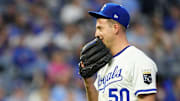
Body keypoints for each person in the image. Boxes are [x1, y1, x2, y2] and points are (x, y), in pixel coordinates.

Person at [80, 3, 158, 101]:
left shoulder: (139, 61)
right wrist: (89, 83)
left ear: (115, 28)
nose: (96, 34)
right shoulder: (103, 65)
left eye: (100, 28)